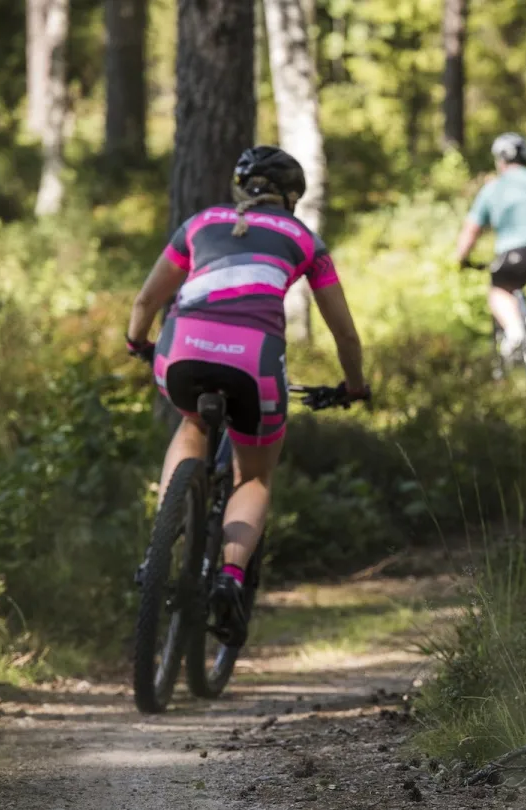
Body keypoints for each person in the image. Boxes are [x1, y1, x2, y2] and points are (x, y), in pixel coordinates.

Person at [125, 145, 369, 647]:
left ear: (240, 189)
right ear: (292, 197)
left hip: (182, 350)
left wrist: (137, 342)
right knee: (253, 476)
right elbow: (344, 332)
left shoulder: (197, 224)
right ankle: (230, 578)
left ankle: (159, 547)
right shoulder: (305, 239)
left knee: (192, 424)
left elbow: (148, 298)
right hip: (253, 363)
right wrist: (354, 385)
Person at [454, 133, 526, 369]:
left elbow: (471, 231)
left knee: (499, 291)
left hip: (515, 252)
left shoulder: (493, 188)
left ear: (500, 161)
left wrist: (461, 259)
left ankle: (515, 329)